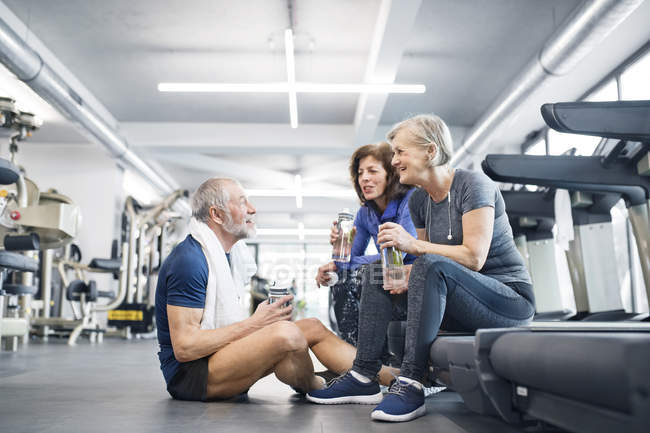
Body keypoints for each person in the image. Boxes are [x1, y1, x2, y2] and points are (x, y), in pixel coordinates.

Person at [307, 114, 535, 422]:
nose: (395, 160)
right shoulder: (420, 202)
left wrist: (412, 246)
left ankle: (412, 382)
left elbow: (473, 258)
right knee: (376, 273)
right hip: (461, 301)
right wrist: (393, 275)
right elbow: (426, 269)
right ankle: (363, 376)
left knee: (426, 262)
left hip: (507, 302)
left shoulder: (473, 185)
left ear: (429, 151)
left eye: (400, 152)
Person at [155, 177, 397, 402]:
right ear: (217, 215)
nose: (252, 209)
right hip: (192, 378)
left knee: (310, 326)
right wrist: (256, 323)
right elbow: (185, 348)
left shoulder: (228, 256)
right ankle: (321, 384)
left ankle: (396, 379)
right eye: (242, 202)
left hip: (220, 358)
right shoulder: (190, 260)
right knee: (286, 334)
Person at [315, 142, 416, 346]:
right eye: (360, 173)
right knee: (340, 277)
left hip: (410, 274)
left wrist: (348, 262)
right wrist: (338, 252)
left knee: (364, 272)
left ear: (391, 174)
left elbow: (398, 256)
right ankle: (350, 352)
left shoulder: (411, 200)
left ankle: (368, 358)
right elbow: (346, 260)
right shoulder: (365, 213)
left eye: (372, 171)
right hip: (385, 273)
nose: (365, 178)